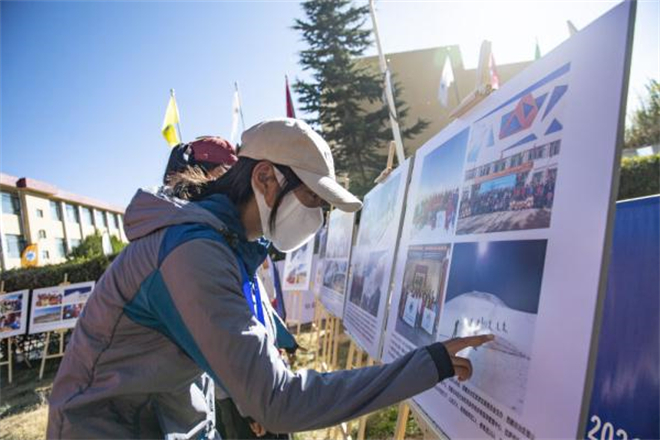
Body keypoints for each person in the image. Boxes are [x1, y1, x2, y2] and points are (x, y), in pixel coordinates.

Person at [47, 118, 493, 439]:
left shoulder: (223, 244)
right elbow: (277, 401)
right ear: (265, 177)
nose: (318, 218)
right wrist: (427, 364)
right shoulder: (193, 252)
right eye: (312, 199)